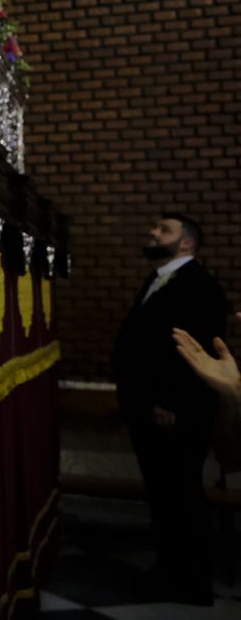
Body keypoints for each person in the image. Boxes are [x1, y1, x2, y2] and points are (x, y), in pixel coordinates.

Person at [111, 212, 232, 605]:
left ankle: (191, 582)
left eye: (164, 230)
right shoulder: (159, 277)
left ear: (186, 244)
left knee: (182, 496)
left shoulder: (200, 286)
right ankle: (169, 570)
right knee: (164, 497)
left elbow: (193, 352)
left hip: (176, 412)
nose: (153, 231)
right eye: (155, 227)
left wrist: (169, 401)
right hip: (150, 408)